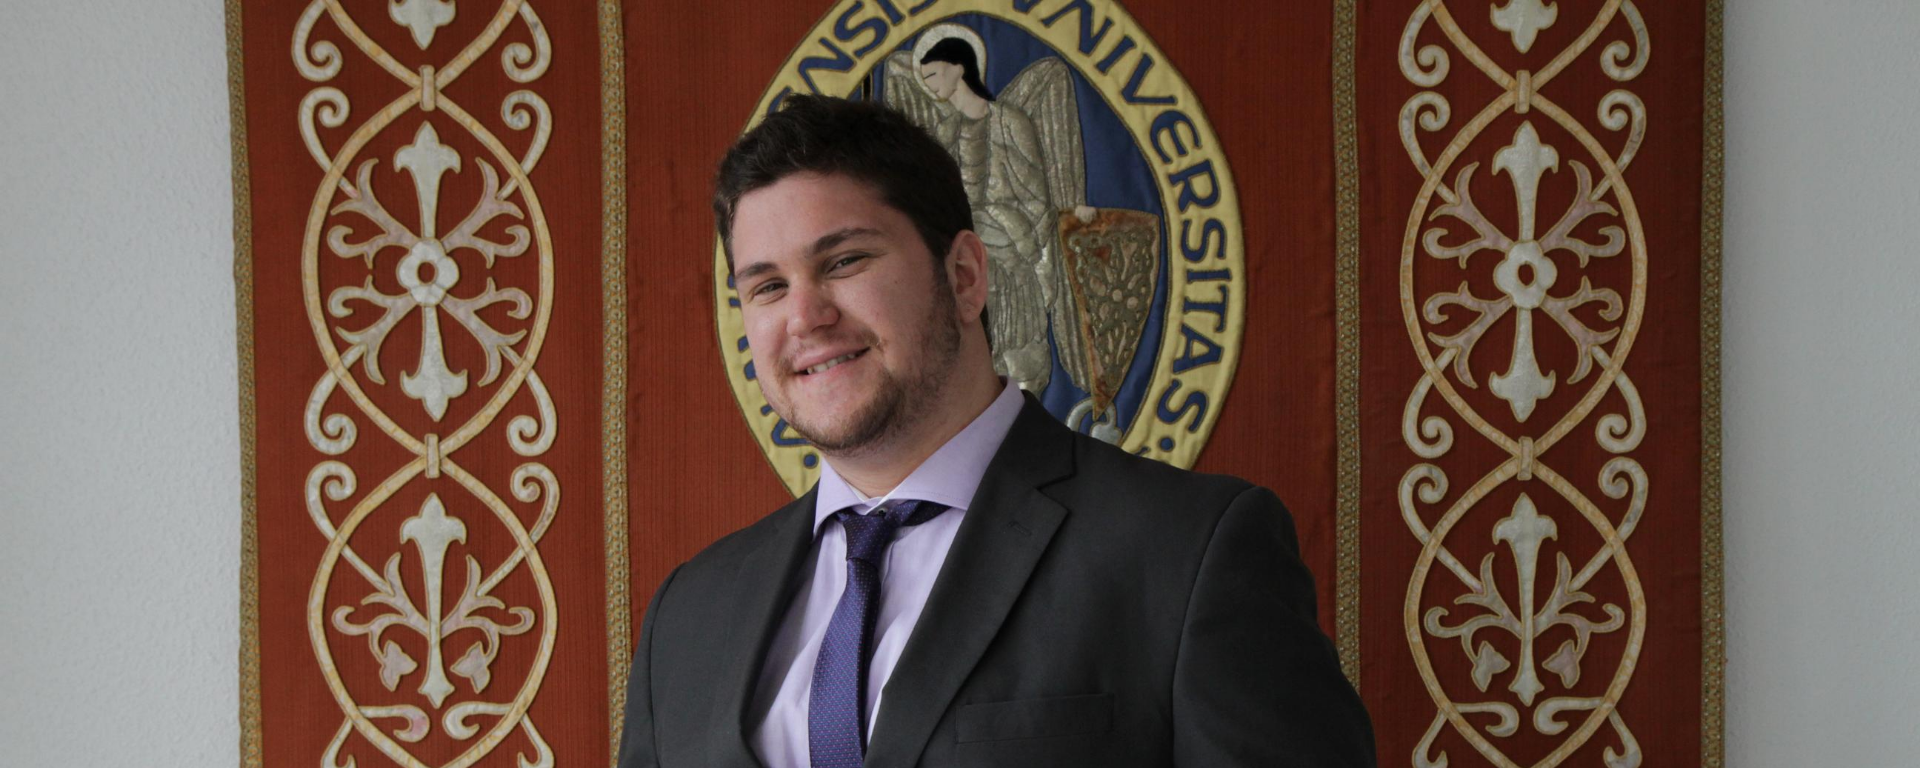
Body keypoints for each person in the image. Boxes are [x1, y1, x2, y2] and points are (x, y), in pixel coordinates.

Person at [617, 95, 1375, 767]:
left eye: (844, 261)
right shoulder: (689, 613)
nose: (805, 317)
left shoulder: (1188, 554)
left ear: (966, 277)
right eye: (768, 286)